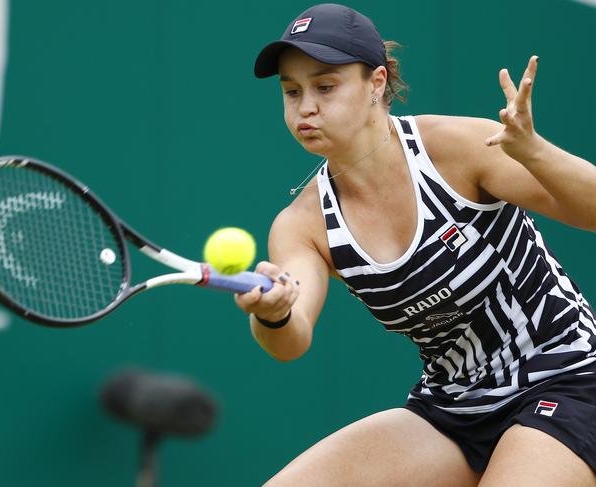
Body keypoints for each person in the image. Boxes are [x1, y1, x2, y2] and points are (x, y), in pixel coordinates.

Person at [235, 3, 596, 486]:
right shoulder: (301, 224)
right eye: (291, 91)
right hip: (451, 407)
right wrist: (272, 311)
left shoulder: (458, 147)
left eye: (325, 86)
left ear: (377, 84)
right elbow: (291, 336)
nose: (306, 107)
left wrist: (535, 152)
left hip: (567, 377)